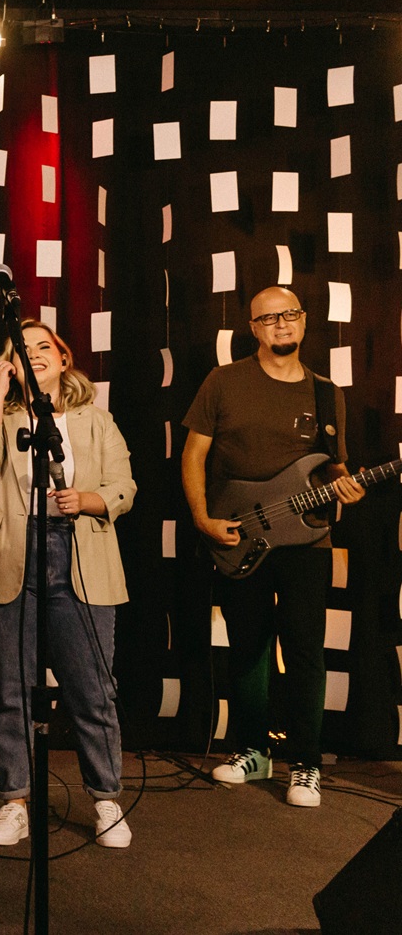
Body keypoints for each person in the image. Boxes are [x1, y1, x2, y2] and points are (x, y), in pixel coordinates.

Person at [182, 285, 364, 808]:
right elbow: (193, 456)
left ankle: (305, 764)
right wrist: (203, 519)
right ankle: (252, 750)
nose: (281, 324)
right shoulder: (224, 381)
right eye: (269, 318)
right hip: (240, 537)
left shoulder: (328, 394)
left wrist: (344, 486)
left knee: (306, 651)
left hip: (308, 542)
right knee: (248, 649)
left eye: (290, 315)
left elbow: (333, 466)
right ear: (253, 327)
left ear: (304, 322)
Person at [0, 320, 136, 849]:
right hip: (11, 555)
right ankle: (14, 801)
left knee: (92, 690)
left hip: (80, 555)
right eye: (20, 350)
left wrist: (90, 500)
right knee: (9, 691)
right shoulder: (5, 417)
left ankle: (105, 800)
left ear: (63, 358)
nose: (33, 355)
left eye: (43, 347)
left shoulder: (96, 421)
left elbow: (124, 485)